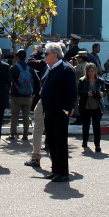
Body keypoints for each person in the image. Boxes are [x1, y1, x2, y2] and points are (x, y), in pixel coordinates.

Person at [40, 42, 78, 182]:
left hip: (60, 112)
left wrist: (66, 109)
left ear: (55, 55)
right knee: (51, 141)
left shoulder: (66, 69)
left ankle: (63, 172)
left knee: (60, 142)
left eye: (46, 53)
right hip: (49, 110)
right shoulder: (49, 68)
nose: (44, 56)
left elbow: (72, 91)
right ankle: (55, 169)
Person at [8, 49, 39, 142]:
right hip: (28, 96)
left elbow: (8, 81)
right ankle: (25, 135)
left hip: (16, 96)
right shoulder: (30, 69)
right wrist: (34, 93)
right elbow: (38, 81)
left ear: (17, 57)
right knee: (26, 116)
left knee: (14, 115)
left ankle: (12, 134)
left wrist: (9, 93)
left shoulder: (13, 68)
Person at [78, 63, 103, 152]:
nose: (91, 73)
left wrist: (101, 94)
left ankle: (97, 144)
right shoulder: (82, 81)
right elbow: (78, 91)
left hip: (96, 106)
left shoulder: (100, 81)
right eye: (89, 71)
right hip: (85, 106)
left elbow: (104, 90)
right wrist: (86, 93)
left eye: (92, 71)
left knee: (96, 126)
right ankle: (85, 141)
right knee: (86, 125)